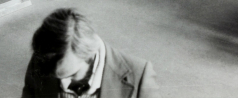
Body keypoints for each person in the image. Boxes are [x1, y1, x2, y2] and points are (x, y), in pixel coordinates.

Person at [22, 8, 160, 98]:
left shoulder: (140, 75)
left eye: (72, 75)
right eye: (57, 77)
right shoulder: (42, 60)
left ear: (89, 55)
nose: (63, 83)